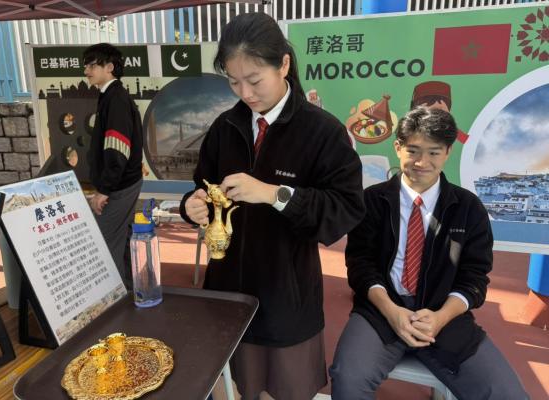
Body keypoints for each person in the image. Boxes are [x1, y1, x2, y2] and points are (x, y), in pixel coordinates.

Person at [179, 13, 365, 400]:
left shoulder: (322, 131)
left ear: (283, 64)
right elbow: (203, 185)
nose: (245, 93)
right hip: (227, 291)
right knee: (233, 386)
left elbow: (344, 209)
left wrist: (274, 194)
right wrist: (192, 206)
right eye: (234, 82)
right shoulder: (225, 127)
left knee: (285, 390)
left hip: (286, 296)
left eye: (254, 80)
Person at [329, 107, 528, 399]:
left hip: (444, 315)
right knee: (348, 379)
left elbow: (474, 278)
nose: (422, 162)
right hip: (382, 311)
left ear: (447, 152)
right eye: (413, 151)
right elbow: (360, 265)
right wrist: (392, 312)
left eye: (434, 152)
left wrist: (440, 317)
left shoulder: (468, 208)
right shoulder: (372, 200)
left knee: (506, 393)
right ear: (398, 147)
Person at [83, 43, 143, 289]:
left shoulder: (115, 98)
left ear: (109, 67)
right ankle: (129, 290)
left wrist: (104, 190)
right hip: (124, 182)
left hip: (119, 186)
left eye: (91, 65)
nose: (86, 71)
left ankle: (114, 297)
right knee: (121, 239)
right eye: (86, 66)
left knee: (106, 244)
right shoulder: (111, 96)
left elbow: (117, 149)